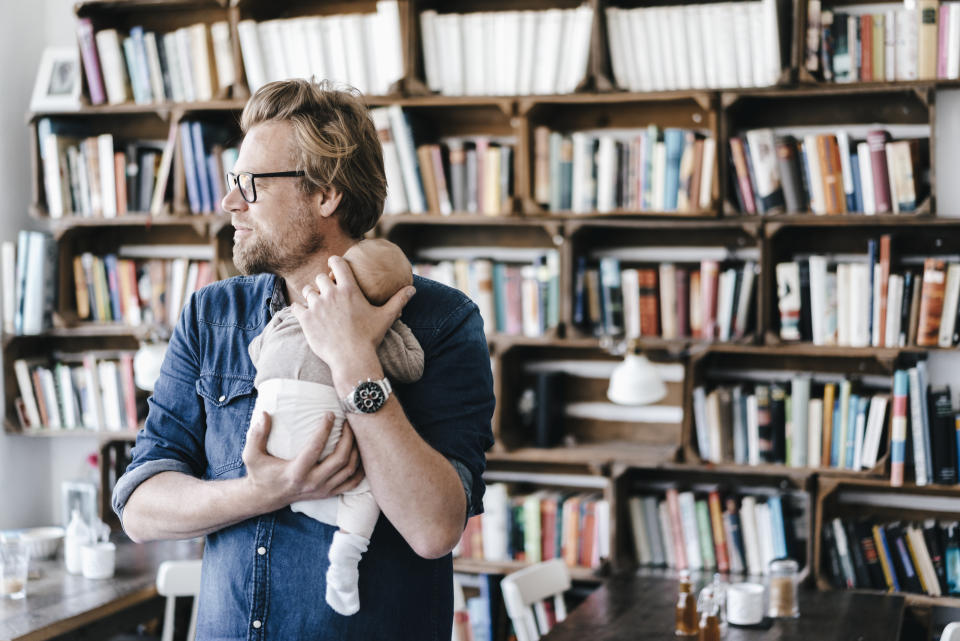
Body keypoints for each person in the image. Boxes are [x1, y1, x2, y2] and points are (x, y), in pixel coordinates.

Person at [111, 79, 495, 640]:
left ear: (325, 195)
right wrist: (267, 491)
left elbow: (434, 528)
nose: (230, 203)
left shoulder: (442, 322)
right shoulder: (212, 315)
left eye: (251, 184)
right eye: (232, 181)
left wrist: (354, 360)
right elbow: (140, 507)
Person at [248, 238, 424, 616]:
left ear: (333, 275)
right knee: (368, 490)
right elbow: (412, 366)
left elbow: (256, 352)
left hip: (268, 428)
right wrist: (393, 324)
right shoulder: (380, 334)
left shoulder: (296, 311)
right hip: (323, 433)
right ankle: (346, 555)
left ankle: (292, 497)